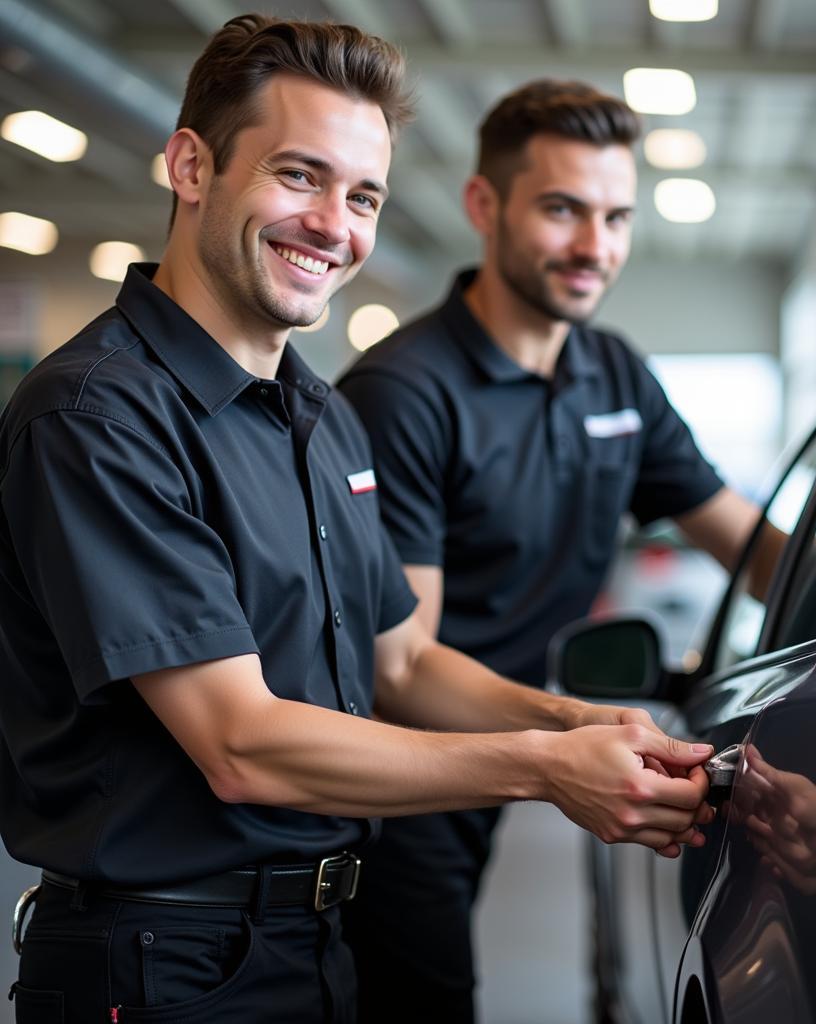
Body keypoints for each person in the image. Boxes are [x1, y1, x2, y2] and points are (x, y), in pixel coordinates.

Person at [0, 23, 717, 1024]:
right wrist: (546, 767)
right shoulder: (100, 416)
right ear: (191, 164)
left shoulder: (321, 416)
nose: (333, 225)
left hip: (317, 943)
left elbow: (404, 664)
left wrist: (580, 720)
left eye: (363, 195)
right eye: (300, 176)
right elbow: (238, 742)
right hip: (163, 965)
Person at [337, 79, 768, 1022]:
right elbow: (400, 670)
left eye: (615, 216)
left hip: (514, 743)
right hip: (404, 782)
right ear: (485, 206)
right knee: (423, 1000)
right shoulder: (407, 393)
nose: (594, 246)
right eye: (563, 209)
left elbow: (752, 546)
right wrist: (572, 732)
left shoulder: (611, 371)